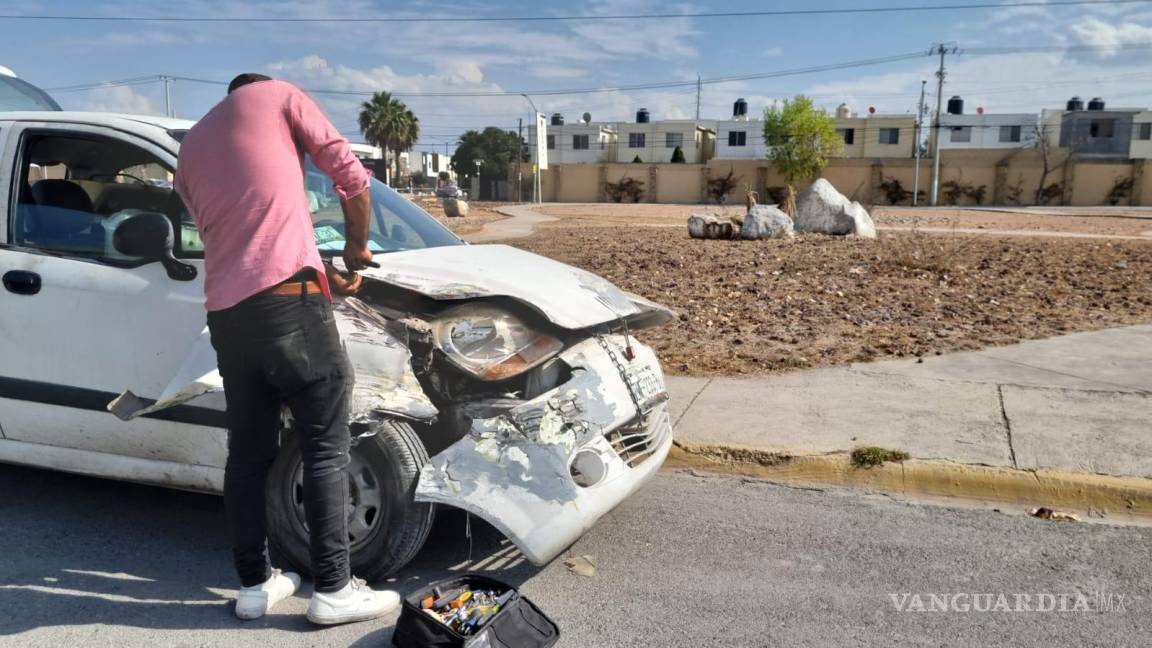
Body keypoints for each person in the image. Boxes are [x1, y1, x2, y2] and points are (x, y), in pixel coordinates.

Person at [174, 73, 397, 625]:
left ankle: (254, 585)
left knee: (247, 455)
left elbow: (249, 235)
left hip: (229, 316)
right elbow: (351, 177)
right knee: (325, 446)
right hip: (291, 312)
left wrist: (318, 272)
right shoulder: (278, 94)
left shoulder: (191, 149)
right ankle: (334, 590)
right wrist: (355, 247)